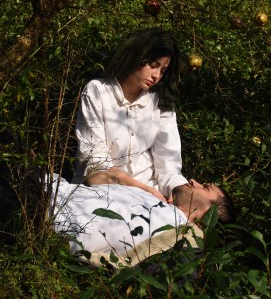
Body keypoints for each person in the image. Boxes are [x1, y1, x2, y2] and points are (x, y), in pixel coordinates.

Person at [74, 28, 188, 202]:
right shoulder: (98, 91)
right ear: (136, 57)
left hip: (152, 192)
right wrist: (144, 190)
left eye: (163, 70)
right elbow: (96, 165)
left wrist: (179, 192)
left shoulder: (161, 101)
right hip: (103, 192)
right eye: (153, 65)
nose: (156, 75)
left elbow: (168, 165)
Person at [49, 175, 235, 257]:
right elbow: (98, 176)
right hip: (52, 184)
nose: (193, 181)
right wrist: (145, 188)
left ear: (210, 214)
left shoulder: (175, 237)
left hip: (47, 212)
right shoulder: (155, 199)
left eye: (205, 187)